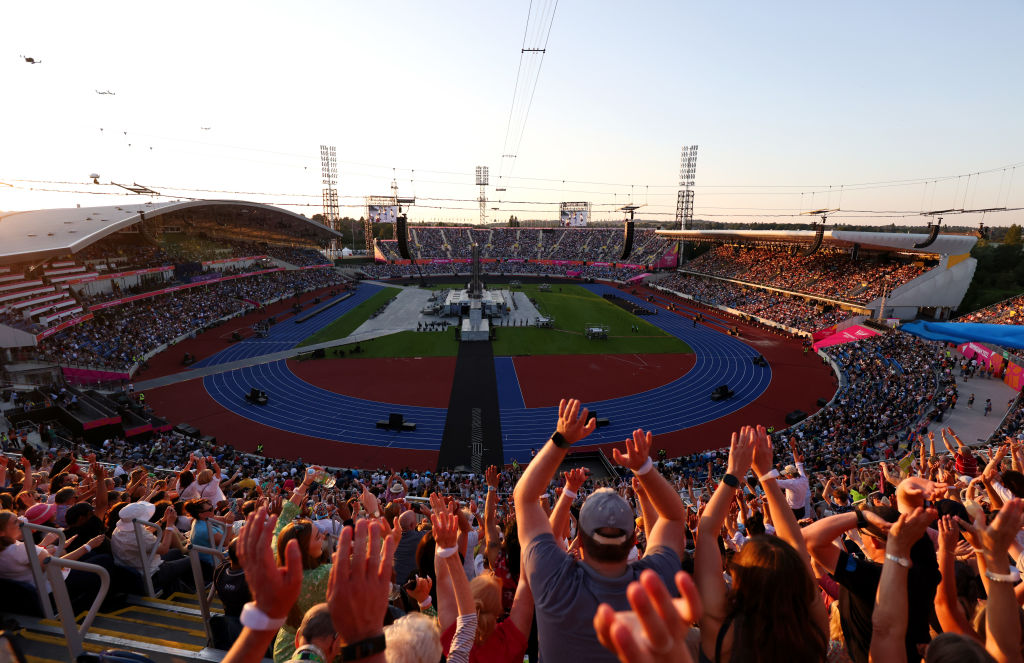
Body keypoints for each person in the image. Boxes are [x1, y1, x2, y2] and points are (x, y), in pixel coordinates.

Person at [515, 398, 685, 662]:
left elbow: (525, 496)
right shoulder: (653, 584)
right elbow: (673, 518)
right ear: (632, 544)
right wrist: (644, 468)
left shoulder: (554, 581)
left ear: (579, 540)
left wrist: (562, 439)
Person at [693, 425, 828, 663]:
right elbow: (796, 544)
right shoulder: (812, 627)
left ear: (741, 579)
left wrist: (735, 471)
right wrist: (764, 474)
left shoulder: (724, 637)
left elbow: (704, 532)